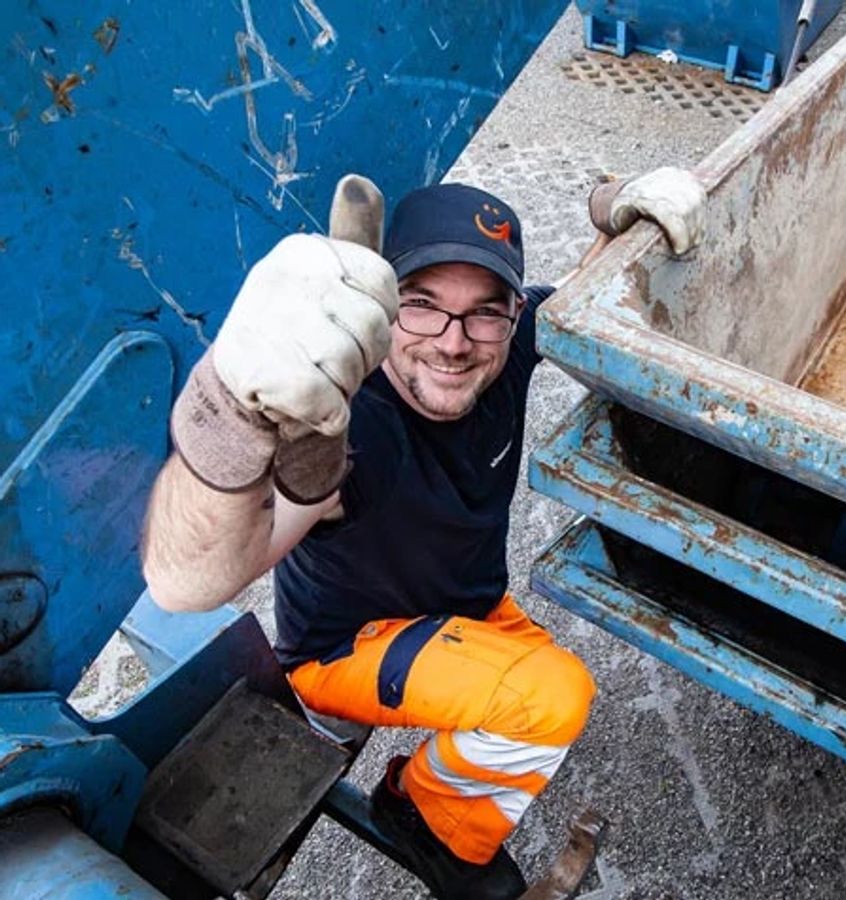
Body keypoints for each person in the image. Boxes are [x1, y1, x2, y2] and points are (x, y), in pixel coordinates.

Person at [141, 168, 705, 899]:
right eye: (421, 307)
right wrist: (230, 409)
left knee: (550, 701)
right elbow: (190, 580)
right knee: (552, 697)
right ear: (381, 312)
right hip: (347, 650)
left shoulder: (508, 345)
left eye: (483, 312)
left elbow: (586, 285)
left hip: (466, 609)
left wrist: (614, 204)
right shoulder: (349, 424)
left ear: (511, 311)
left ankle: (446, 787)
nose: (453, 342)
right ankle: (420, 811)